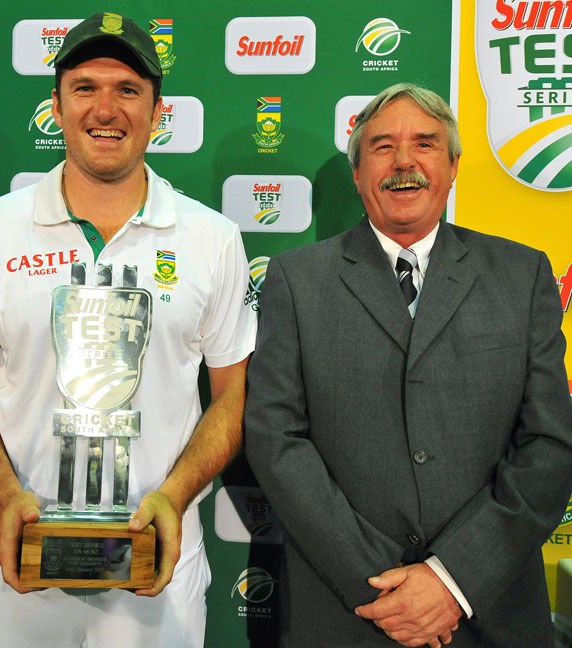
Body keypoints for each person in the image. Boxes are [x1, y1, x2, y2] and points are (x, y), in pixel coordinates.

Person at [0, 12, 256, 648]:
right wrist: (3, 493)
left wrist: (177, 496)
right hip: (22, 558)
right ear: (56, 104)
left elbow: (234, 394)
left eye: (128, 90)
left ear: (158, 110)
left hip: (154, 558)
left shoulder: (212, 238)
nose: (107, 108)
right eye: (85, 87)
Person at [245, 82, 572, 648]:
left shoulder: (522, 275)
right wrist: (385, 589)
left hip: (486, 612)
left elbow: (549, 444)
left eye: (424, 144)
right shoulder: (298, 280)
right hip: (350, 613)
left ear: (452, 165)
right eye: (382, 147)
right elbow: (276, 438)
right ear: (356, 171)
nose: (404, 163)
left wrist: (451, 581)